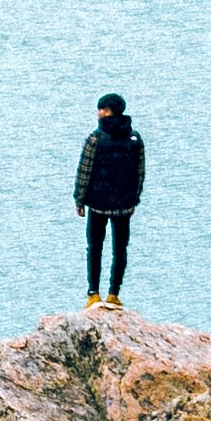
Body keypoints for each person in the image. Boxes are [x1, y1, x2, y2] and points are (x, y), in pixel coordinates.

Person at [75, 94, 146, 305]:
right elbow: (140, 172)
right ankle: (114, 294)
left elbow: (84, 172)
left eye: (100, 109)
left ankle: (93, 293)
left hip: (98, 204)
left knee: (95, 248)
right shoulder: (134, 138)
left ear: (107, 112)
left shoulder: (95, 139)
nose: (98, 113)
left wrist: (79, 199)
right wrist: (135, 199)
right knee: (120, 249)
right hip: (124, 205)